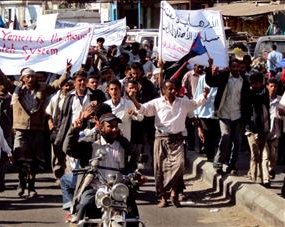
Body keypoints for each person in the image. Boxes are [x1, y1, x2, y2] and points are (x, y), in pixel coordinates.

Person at [0, 54, 71, 197]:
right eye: (27, 77)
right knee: (20, 157)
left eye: (32, 76)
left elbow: (56, 84)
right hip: (20, 129)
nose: (30, 79)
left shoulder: (42, 88)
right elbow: (3, 79)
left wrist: (66, 72)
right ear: (22, 78)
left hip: (37, 129)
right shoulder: (16, 88)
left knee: (35, 160)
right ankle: (22, 182)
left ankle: (32, 187)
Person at [127, 79, 209, 208]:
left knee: (179, 165)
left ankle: (174, 192)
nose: (173, 91)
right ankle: (163, 197)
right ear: (163, 91)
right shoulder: (157, 103)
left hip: (178, 139)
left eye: (174, 88)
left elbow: (195, 103)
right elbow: (143, 110)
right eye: (169, 89)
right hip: (161, 138)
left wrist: (204, 95)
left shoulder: (183, 102)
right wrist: (133, 99)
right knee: (160, 169)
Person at [63, 112, 139, 223]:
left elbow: (135, 157)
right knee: (84, 204)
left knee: (133, 213)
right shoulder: (91, 145)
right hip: (95, 188)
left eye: (116, 126)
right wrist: (74, 130)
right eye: (110, 126)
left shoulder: (124, 145)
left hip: (117, 189)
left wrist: (133, 174)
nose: (114, 129)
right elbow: (68, 149)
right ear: (101, 128)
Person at [206, 58, 251, 175]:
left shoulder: (244, 81)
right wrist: (209, 67)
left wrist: (247, 117)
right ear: (230, 67)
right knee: (225, 136)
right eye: (234, 67)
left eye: (238, 67)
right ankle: (218, 162)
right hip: (224, 113)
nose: (236, 69)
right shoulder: (224, 77)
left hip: (238, 115)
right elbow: (210, 82)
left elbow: (247, 100)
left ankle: (232, 165)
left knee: (237, 141)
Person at [245, 72, 270, 186]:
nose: (253, 85)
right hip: (250, 128)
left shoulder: (265, 93)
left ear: (261, 83)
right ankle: (255, 177)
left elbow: (263, 105)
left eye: (256, 83)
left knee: (261, 153)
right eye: (252, 83)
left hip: (262, 128)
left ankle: (257, 176)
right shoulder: (249, 93)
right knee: (255, 154)